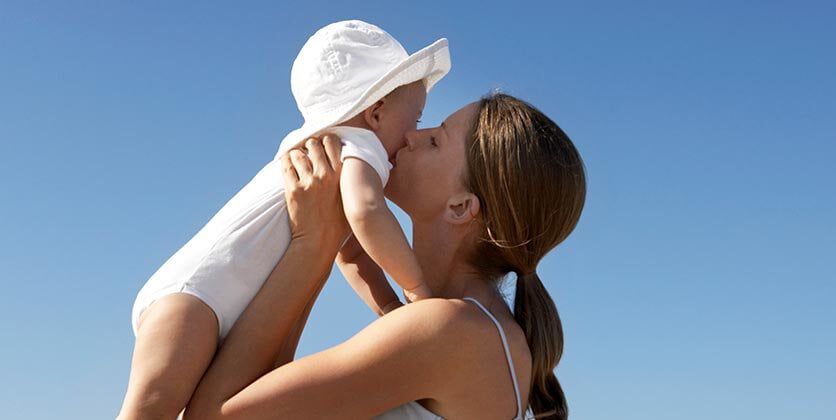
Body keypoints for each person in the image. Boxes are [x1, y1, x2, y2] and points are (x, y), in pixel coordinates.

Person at [118, 20, 450, 420]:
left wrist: (393, 313)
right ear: (376, 112)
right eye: (414, 120)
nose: (413, 134)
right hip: (197, 296)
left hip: (209, 302)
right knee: (150, 409)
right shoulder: (359, 146)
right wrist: (417, 291)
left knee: (155, 406)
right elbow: (367, 212)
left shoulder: (329, 152)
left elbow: (353, 257)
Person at [183, 93, 586, 419]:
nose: (412, 135)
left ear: (461, 207)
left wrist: (314, 243)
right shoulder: (477, 328)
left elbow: (211, 416)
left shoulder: (450, 329)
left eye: (435, 140)